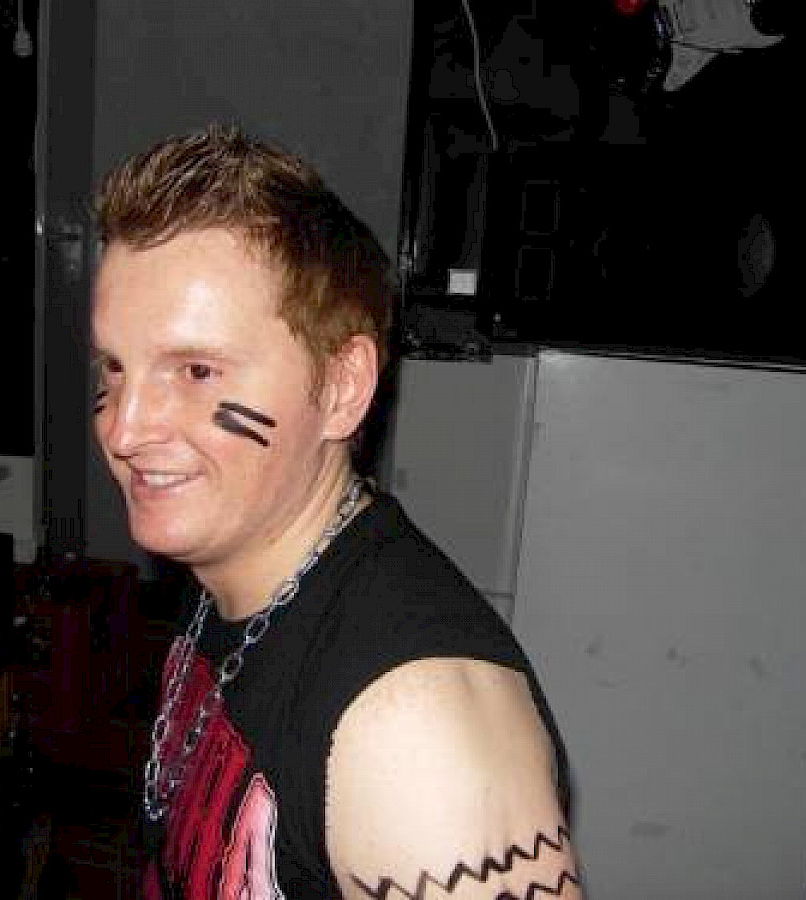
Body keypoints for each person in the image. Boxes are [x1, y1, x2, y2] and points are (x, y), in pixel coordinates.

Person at [90, 125, 582, 900]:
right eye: (116, 369)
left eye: (196, 370)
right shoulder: (236, 564)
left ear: (343, 387)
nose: (124, 429)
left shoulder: (415, 731)